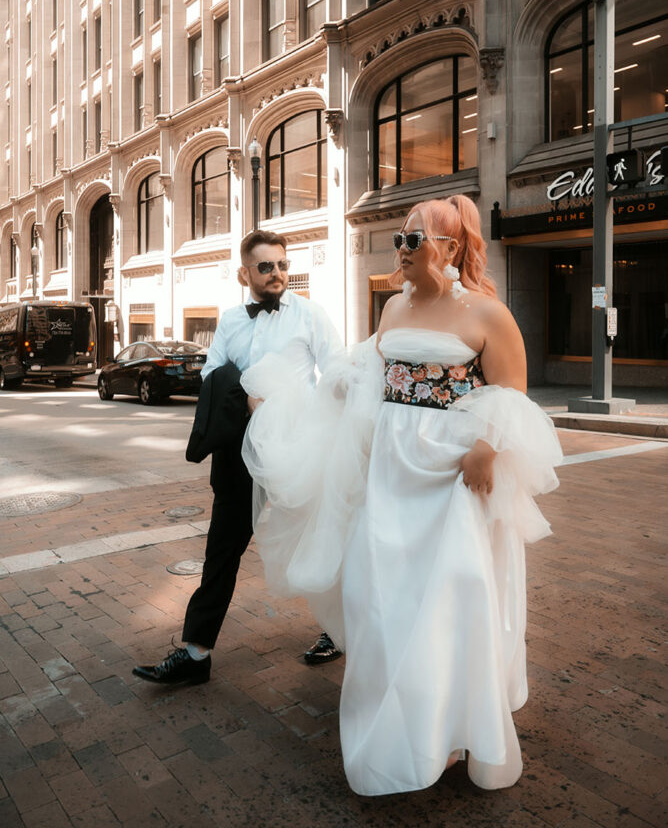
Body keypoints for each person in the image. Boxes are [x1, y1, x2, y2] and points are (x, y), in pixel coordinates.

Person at [240, 196, 562, 795]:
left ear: (452, 248)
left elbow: (514, 392)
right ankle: (401, 726)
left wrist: (487, 447)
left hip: (453, 476)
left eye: (414, 240)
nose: (402, 250)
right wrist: (298, 401)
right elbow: (366, 374)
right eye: (399, 239)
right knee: (379, 597)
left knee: (450, 597)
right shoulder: (392, 308)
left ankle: (452, 728)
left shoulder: (489, 315)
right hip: (391, 471)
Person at [132, 229, 343, 687]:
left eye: (283, 264)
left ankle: (339, 630)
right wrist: (245, 398)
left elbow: (337, 370)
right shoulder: (230, 319)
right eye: (266, 266)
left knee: (322, 538)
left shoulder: (311, 315)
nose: (277, 273)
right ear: (244, 272)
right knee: (221, 551)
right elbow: (211, 374)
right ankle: (195, 653)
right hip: (239, 453)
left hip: (298, 451)